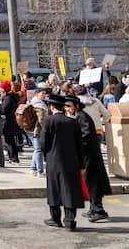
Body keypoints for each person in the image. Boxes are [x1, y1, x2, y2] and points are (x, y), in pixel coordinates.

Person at [40, 93, 85, 230]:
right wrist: (82, 164)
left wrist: (45, 156)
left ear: (52, 106)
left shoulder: (48, 121)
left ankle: (55, 219)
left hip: (53, 159)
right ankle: (70, 221)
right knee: (69, 189)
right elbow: (79, 145)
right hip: (71, 161)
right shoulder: (73, 122)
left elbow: (43, 142)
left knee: (54, 189)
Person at [65, 95, 111, 222]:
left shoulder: (82, 117)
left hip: (90, 156)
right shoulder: (79, 116)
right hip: (87, 156)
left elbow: (85, 135)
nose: (67, 109)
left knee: (93, 182)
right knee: (89, 182)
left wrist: (76, 145)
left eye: (69, 106)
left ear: (76, 106)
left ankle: (98, 210)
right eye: (66, 106)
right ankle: (93, 208)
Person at [27, 86, 48, 177]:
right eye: (42, 93)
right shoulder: (39, 105)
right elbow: (41, 120)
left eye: (45, 93)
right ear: (37, 93)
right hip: (37, 130)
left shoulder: (33, 102)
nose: (44, 95)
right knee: (38, 150)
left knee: (37, 150)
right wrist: (47, 129)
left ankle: (33, 168)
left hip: (31, 130)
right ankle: (40, 170)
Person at [0, 80, 21, 164]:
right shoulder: (12, 97)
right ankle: (13, 157)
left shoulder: (8, 98)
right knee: (10, 140)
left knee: (9, 140)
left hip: (8, 121)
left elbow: (4, 109)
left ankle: (13, 158)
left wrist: (0, 107)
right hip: (12, 120)